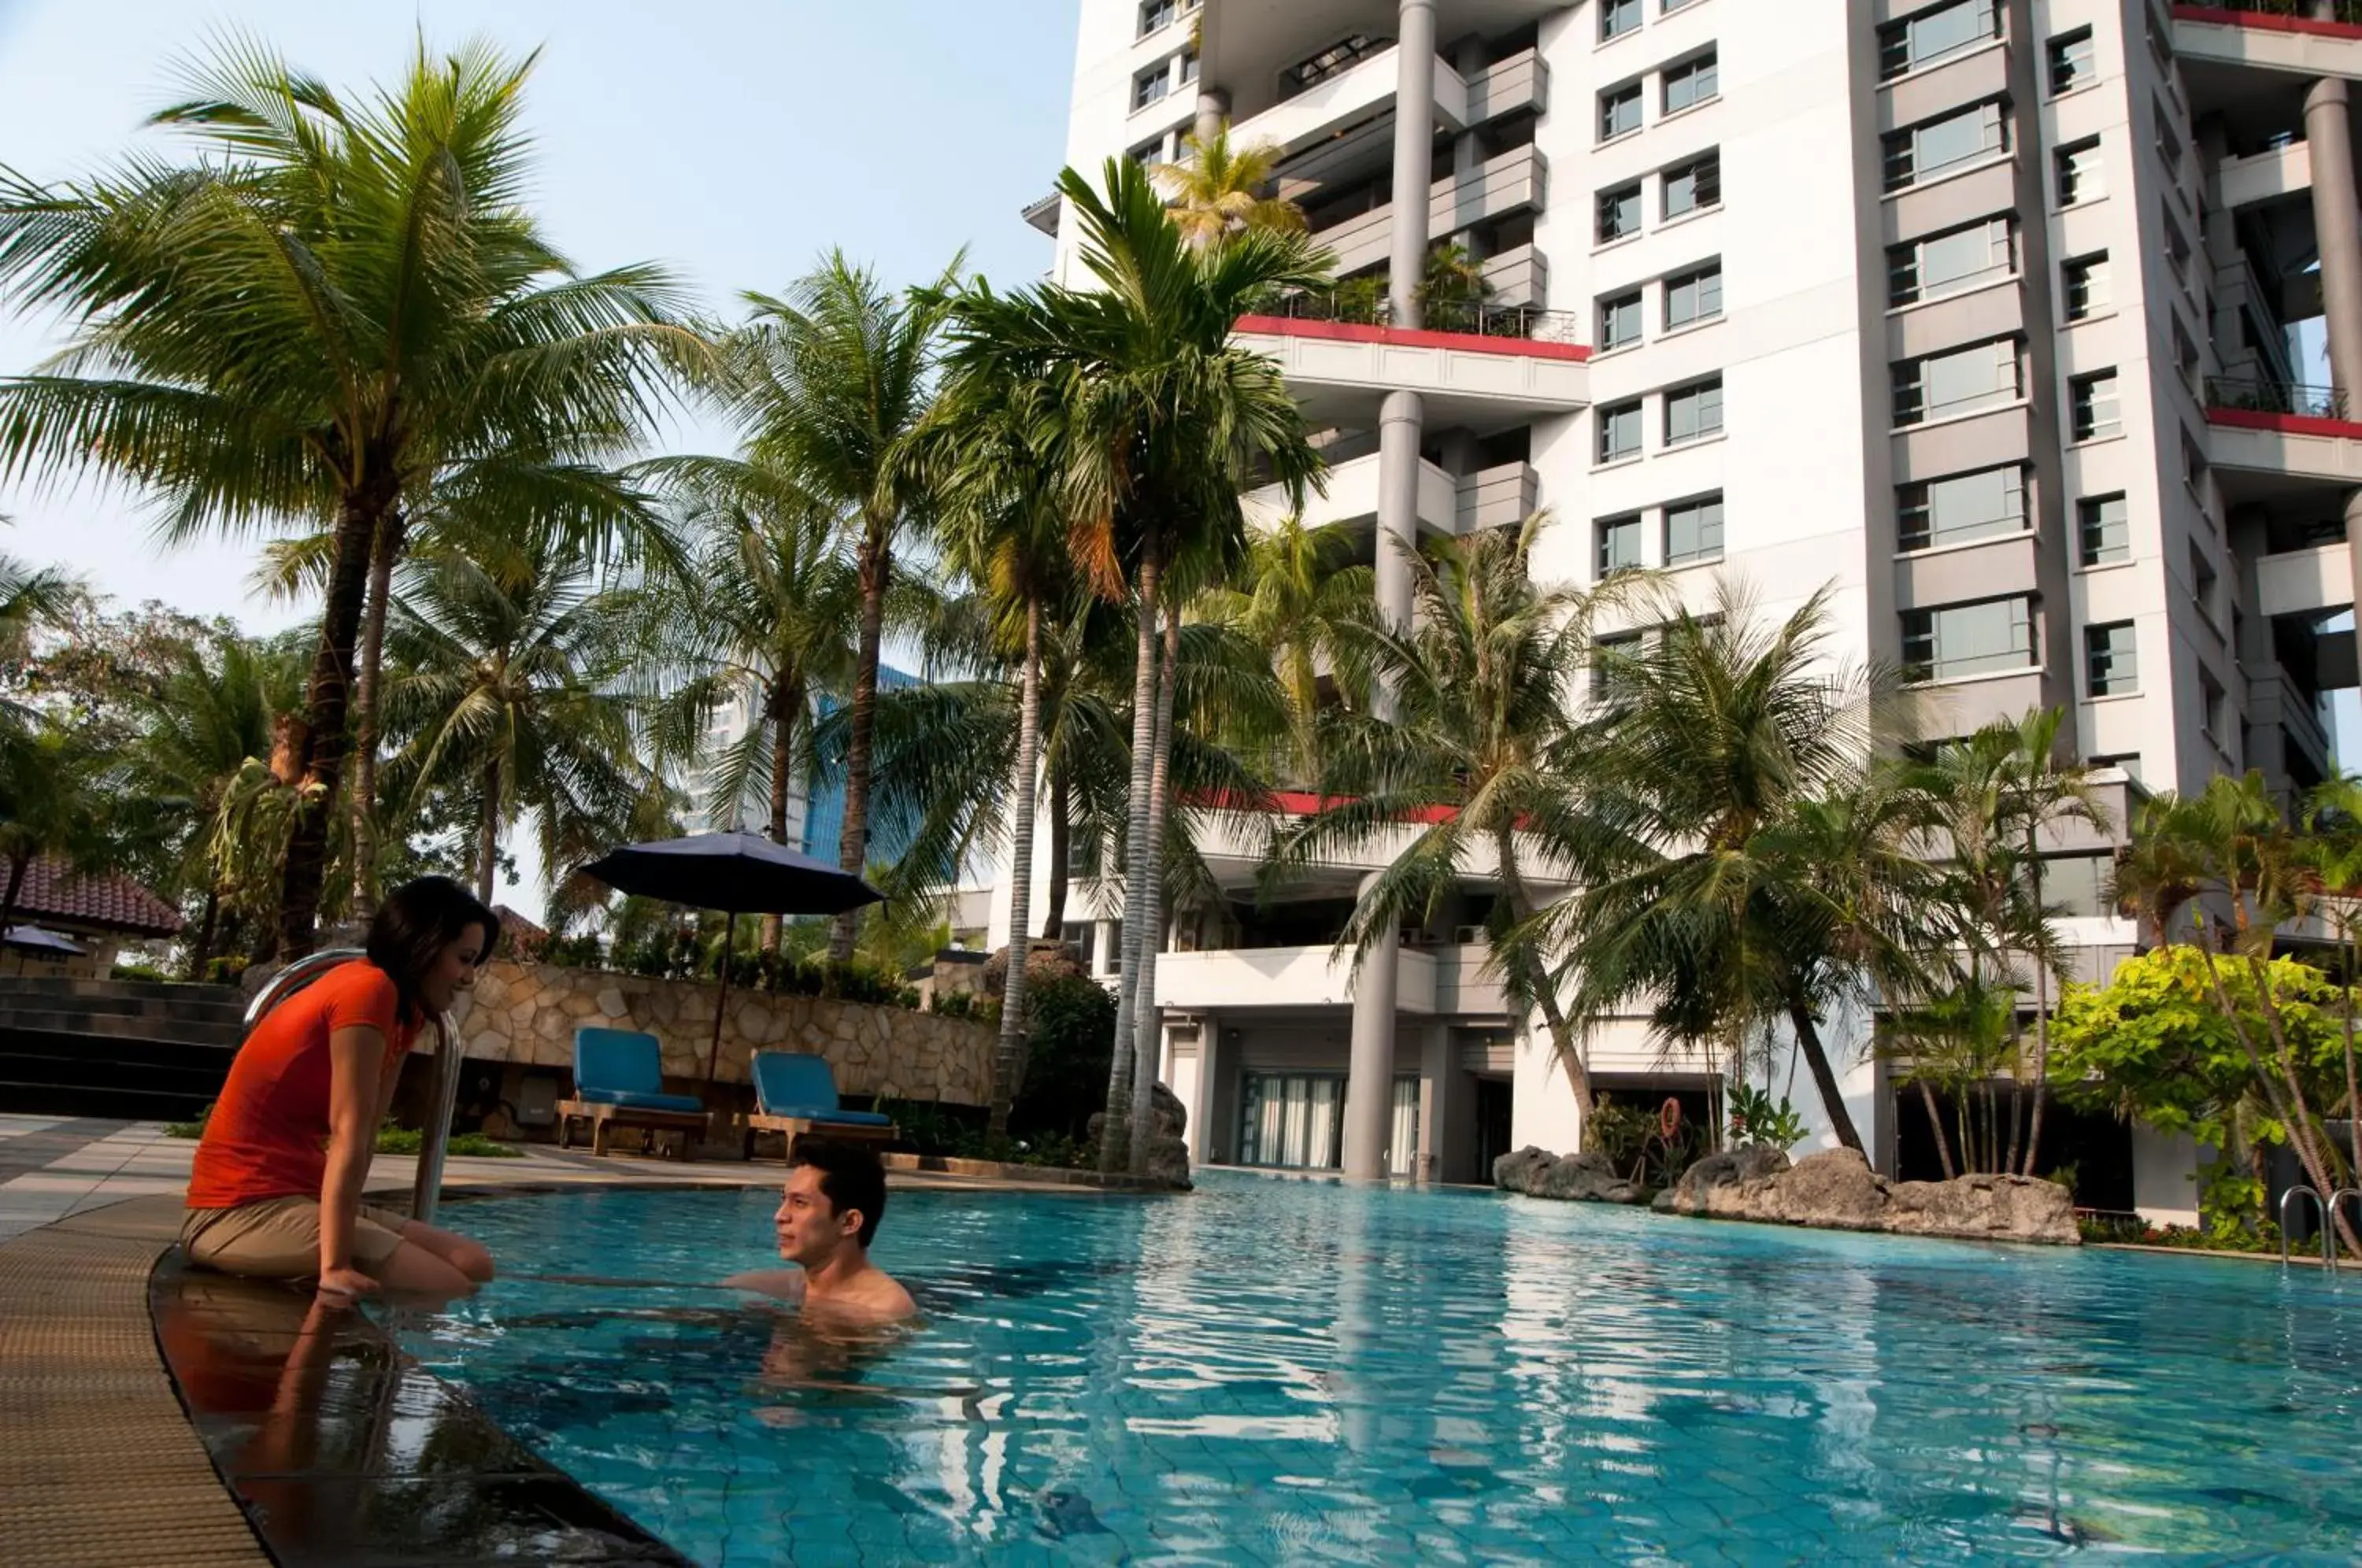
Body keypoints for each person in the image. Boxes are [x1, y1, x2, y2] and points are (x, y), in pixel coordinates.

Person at [182, 876, 499, 1301]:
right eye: (464, 959)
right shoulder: (368, 989)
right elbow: (347, 1131)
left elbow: (366, 1135)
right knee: (448, 1286)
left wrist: (352, 1229)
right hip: (237, 1211)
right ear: (423, 944)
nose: (468, 978)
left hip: (300, 1199)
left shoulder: (408, 1015)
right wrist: (335, 1266)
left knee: (473, 1263)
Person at [724, 1141, 916, 1323]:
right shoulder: (768, 1287)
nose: (780, 1216)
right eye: (784, 1200)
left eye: (800, 1203)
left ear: (849, 1222)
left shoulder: (884, 1311)